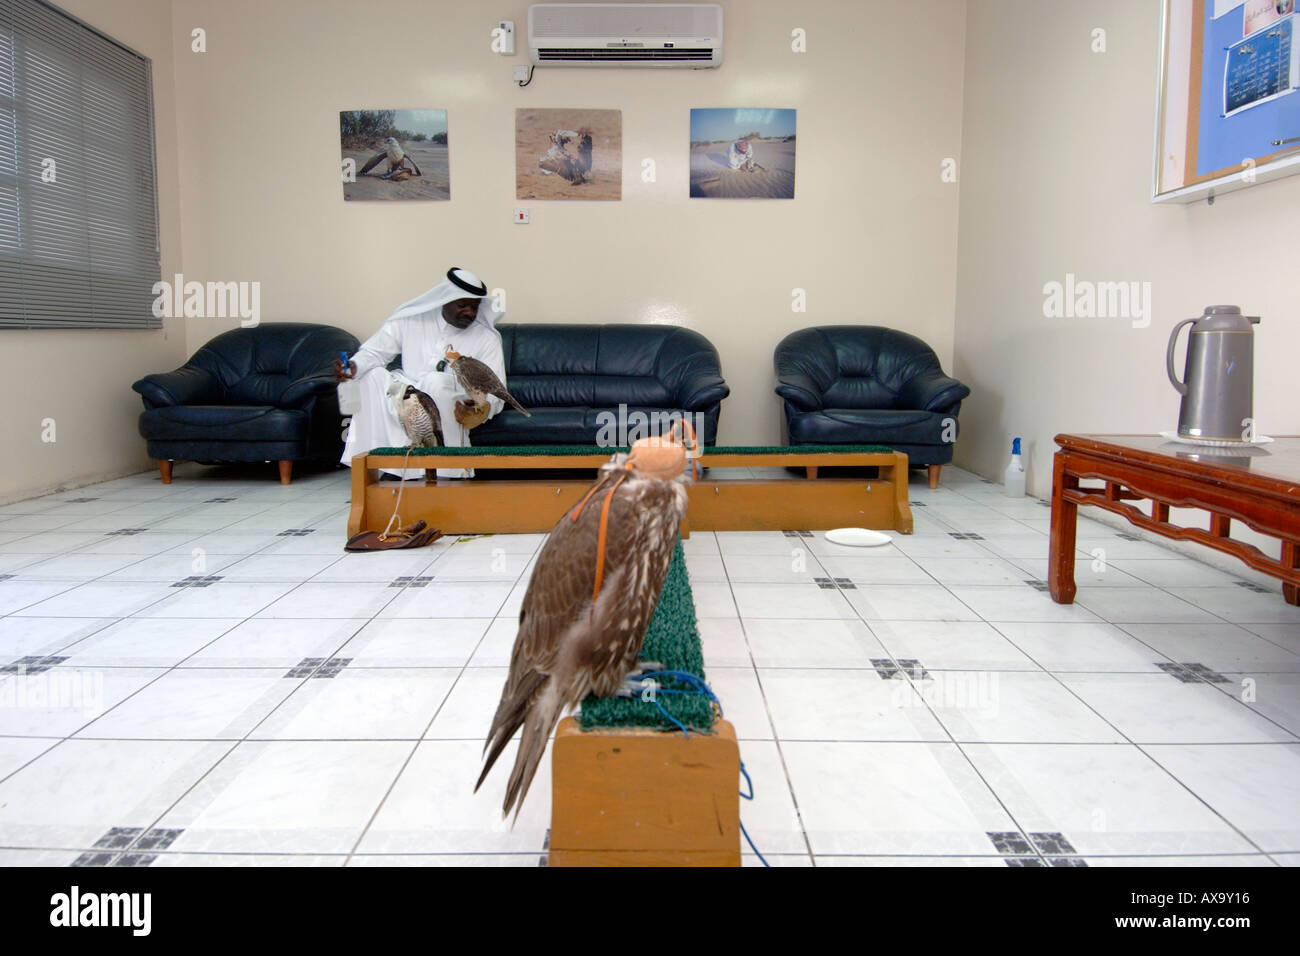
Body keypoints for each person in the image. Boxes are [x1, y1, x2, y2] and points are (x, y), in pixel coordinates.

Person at [336, 267, 508, 479]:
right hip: (405, 397)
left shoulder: (486, 338)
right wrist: (353, 366)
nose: (470, 313)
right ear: (445, 299)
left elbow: (496, 390)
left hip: (450, 399)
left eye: (475, 307)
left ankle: (446, 474)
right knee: (370, 376)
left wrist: (480, 409)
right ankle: (374, 467)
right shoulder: (411, 320)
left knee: (436, 382)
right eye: (463, 305)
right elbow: (373, 352)